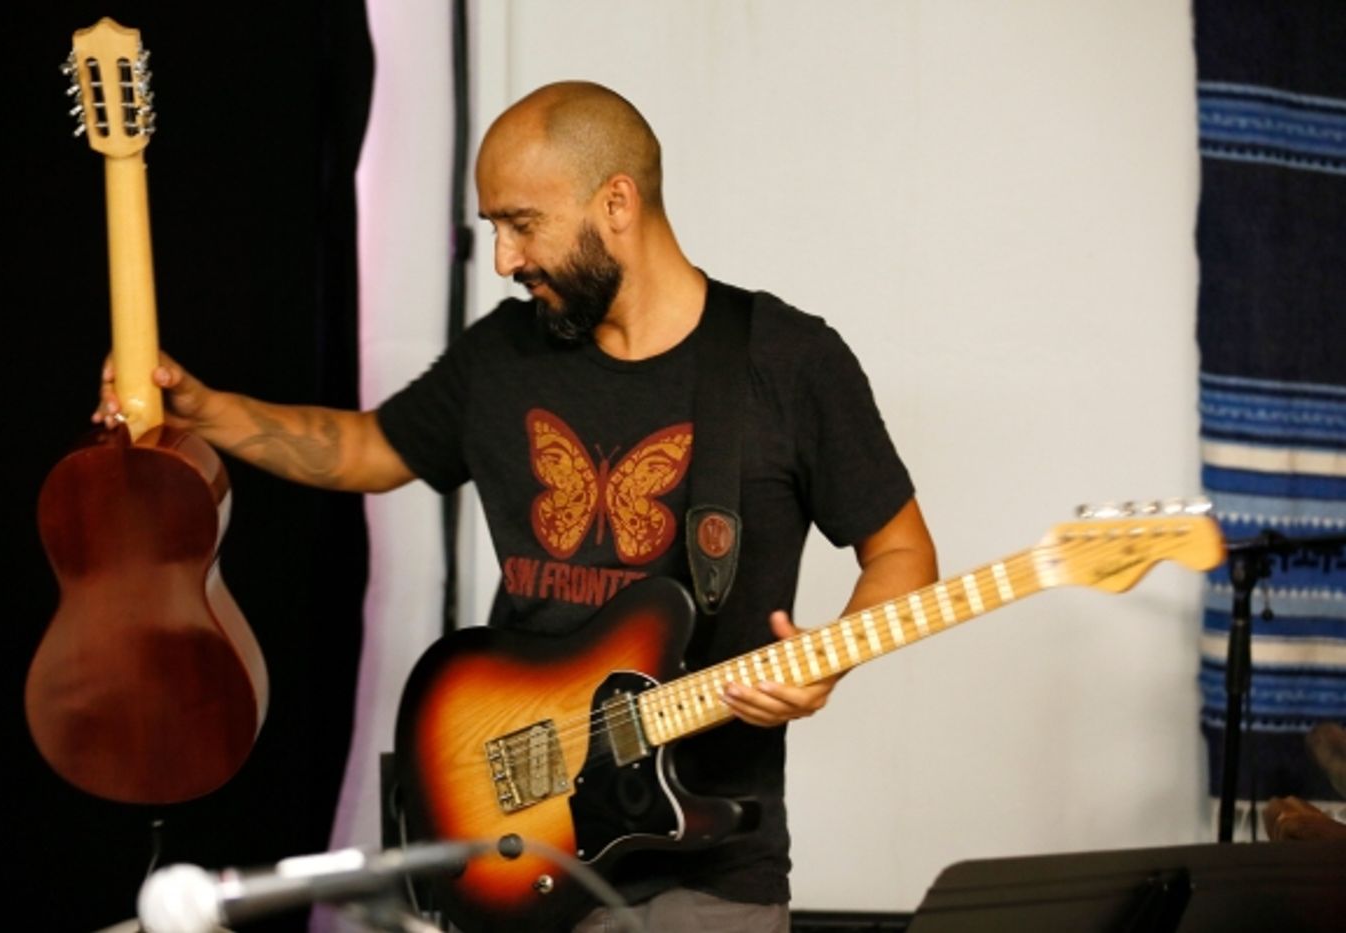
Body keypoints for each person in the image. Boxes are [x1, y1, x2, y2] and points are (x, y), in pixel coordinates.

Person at [98, 81, 937, 932]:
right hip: (512, 834)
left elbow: (902, 552)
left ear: (616, 203)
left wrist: (826, 664)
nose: (503, 260)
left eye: (522, 224)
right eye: (493, 227)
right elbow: (365, 448)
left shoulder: (786, 362)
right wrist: (206, 410)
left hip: (703, 869)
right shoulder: (505, 355)